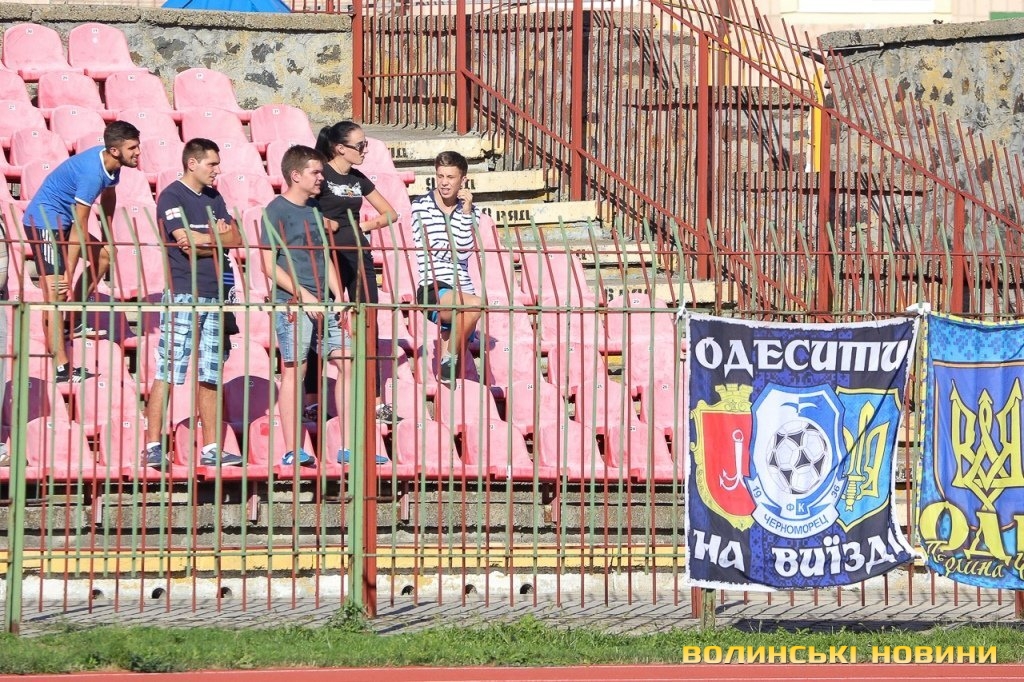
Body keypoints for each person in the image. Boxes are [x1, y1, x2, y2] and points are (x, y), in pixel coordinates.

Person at [141, 138, 243, 468]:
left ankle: (211, 448)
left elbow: (237, 238)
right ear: (192, 163)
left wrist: (206, 239)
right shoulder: (172, 195)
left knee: (211, 371)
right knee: (170, 367)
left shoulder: (215, 197)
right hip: (184, 292)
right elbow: (185, 243)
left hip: (216, 294)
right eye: (212, 164)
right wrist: (216, 238)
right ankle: (152, 445)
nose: (217, 170)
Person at [22, 120, 141, 384]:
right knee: (55, 290)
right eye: (132, 148)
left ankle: (73, 317)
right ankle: (61, 367)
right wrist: (67, 270)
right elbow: (80, 226)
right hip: (44, 223)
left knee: (105, 255)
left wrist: (107, 236)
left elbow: (109, 197)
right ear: (114, 150)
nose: (138, 152)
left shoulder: (113, 164)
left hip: (66, 223)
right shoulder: (91, 174)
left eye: (138, 146)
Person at [259, 145, 355, 467]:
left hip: (325, 302)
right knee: (294, 369)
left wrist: (339, 296)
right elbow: (268, 265)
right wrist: (304, 296)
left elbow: (325, 257)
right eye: (315, 172)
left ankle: (348, 445)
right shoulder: (275, 210)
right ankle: (292, 448)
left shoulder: (315, 209)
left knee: (347, 362)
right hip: (292, 303)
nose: (321, 178)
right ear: (295, 175)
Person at [308, 121, 399, 423]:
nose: (364, 150)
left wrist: (364, 226)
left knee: (368, 322)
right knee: (320, 323)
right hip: (327, 258)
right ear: (340, 148)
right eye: (360, 145)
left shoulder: (358, 179)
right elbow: (304, 209)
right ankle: (312, 400)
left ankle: (375, 401)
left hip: (358, 256)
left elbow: (391, 213)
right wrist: (325, 224)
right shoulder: (320, 174)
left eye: (365, 144)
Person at [410, 151, 484, 386]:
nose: (444, 182)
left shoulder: (473, 211)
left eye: (450, 177)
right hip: (433, 285)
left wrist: (466, 213)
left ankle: (447, 369)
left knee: (449, 377)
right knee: (475, 304)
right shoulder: (420, 205)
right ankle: (449, 358)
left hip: (462, 288)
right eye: (440, 176)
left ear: (463, 180)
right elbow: (429, 245)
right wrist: (451, 247)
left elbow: (462, 251)